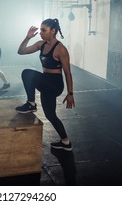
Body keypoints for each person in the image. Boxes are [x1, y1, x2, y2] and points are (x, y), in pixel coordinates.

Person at [16, 18, 75, 151]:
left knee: (27, 73)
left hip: (55, 84)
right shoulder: (41, 44)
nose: (41, 33)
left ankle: (31, 104)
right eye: (40, 30)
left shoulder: (61, 49)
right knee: (50, 115)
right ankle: (66, 142)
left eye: (44, 30)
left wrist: (70, 94)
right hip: (45, 82)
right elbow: (21, 51)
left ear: (53, 31)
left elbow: (68, 73)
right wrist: (27, 37)